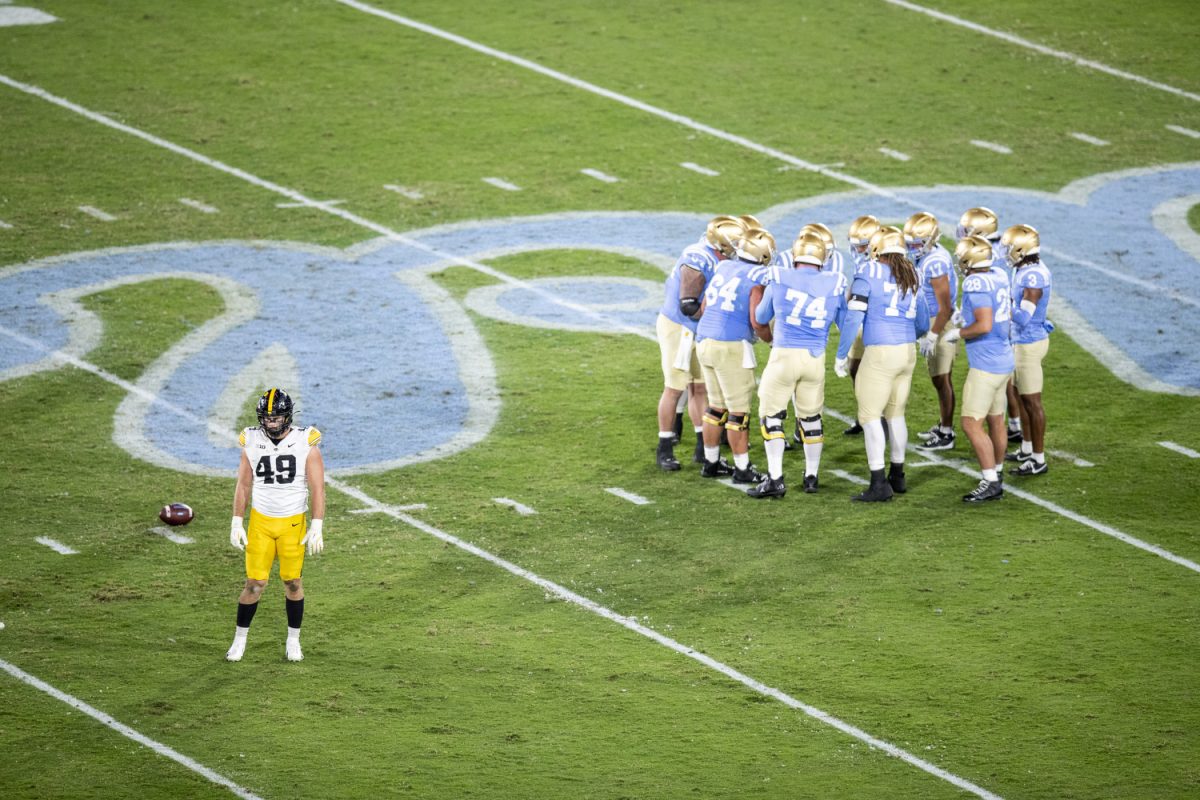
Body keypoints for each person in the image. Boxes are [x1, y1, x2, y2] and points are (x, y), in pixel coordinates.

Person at [227, 388, 326, 662]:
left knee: (293, 582)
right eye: (267, 418)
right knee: (255, 583)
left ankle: (293, 640)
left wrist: (316, 524)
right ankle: (239, 640)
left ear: (288, 416)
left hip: (293, 523)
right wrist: (237, 521)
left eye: (276, 417)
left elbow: (318, 488)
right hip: (261, 522)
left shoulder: (306, 441)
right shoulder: (251, 440)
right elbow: (243, 484)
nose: (271, 423)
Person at [748, 231, 847, 497]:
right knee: (811, 419)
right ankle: (811, 477)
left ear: (795, 257)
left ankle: (776, 479)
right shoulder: (835, 281)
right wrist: (843, 353)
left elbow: (761, 315)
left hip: (784, 356)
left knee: (772, 417)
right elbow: (844, 321)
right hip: (815, 358)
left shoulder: (780, 276)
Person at [834, 228, 930, 501]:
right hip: (906, 351)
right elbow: (923, 320)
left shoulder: (868, 272)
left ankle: (878, 484)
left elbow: (854, 317)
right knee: (896, 414)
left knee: (869, 416)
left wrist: (842, 353)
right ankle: (897, 476)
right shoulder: (913, 273)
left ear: (877, 250)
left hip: (881, 353)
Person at [654, 215, 745, 470]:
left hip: (698, 328)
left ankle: (702, 447)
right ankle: (664, 447)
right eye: (734, 242)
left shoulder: (717, 254)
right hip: (680, 328)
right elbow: (688, 306)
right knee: (674, 388)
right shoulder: (697, 258)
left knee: (700, 388)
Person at [695, 226, 774, 484]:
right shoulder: (758, 276)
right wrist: (772, 341)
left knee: (716, 407)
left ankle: (711, 462)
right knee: (738, 412)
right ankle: (742, 468)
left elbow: (705, 305)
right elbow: (757, 320)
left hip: (704, 340)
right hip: (731, 347)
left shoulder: (724, 266)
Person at [954, 236, 1014, 503]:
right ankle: (997, 472)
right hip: (1004, 358)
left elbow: (984, 324)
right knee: (996, 419)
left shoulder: (975, 282)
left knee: (970, 423)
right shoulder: (999, 274)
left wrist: (959, 332)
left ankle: (990, 481)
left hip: (986, 363)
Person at [903, 212, 959, 452]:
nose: (912, 247)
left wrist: (933, 334)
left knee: (942, 378)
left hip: (940, 321)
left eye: (916, 243)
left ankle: (946, 433)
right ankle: (943, 425)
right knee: (938, 378)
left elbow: (945, 306)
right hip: (934, 318)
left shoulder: (934, 262)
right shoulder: (929, 256)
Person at [790, 222, 846, 446]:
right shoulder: (787, 261)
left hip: (814, 327)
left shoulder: (836, 260)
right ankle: (791, 423)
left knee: (806, 382)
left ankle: (801, 424)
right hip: (791, 326)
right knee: (789, 383)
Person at [1003, 224, 1053, 475]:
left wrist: (1002, 306)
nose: (1006, 252)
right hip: (1021, 341)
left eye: (1010, 248)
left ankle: (1038, 459)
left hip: (1029, 342)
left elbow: (1023, 317)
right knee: (1020, 396)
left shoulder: (1033, 277)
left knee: (1032, 402)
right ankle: (1026, 447)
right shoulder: (1024, 270)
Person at [841, 215, 882, 436]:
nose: (858, 250)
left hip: (877, 322)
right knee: (854, 368)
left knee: (878, 372)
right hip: (860, 318)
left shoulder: (885, 259)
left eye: (862, 245)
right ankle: (864, 415)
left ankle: (880, 416)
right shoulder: (862, 260)